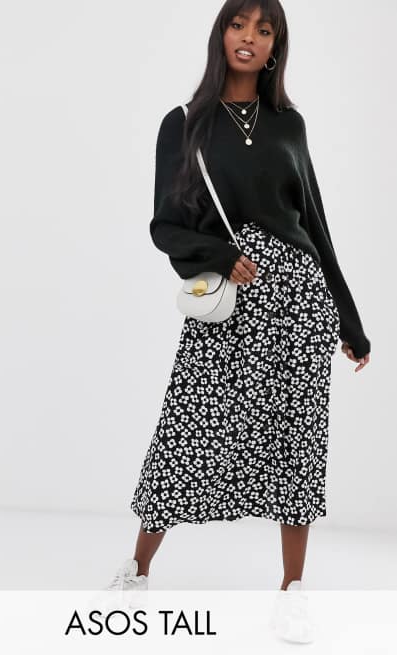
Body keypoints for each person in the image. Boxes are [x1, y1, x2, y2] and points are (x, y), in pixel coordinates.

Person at [104, 0, 371, 643]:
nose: (249, 37)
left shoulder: (289, 124)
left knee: (297, 447)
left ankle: (292, 593)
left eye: (264, 29)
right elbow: (164, 225)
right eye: (238, 24)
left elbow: (316, 224)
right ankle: (136, 572)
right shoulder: (184, 123)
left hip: (300, 304)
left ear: (276, 46)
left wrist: (349, 318)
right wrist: (221, 256)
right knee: (186, 434)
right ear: (220, 34)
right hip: (228, 302)